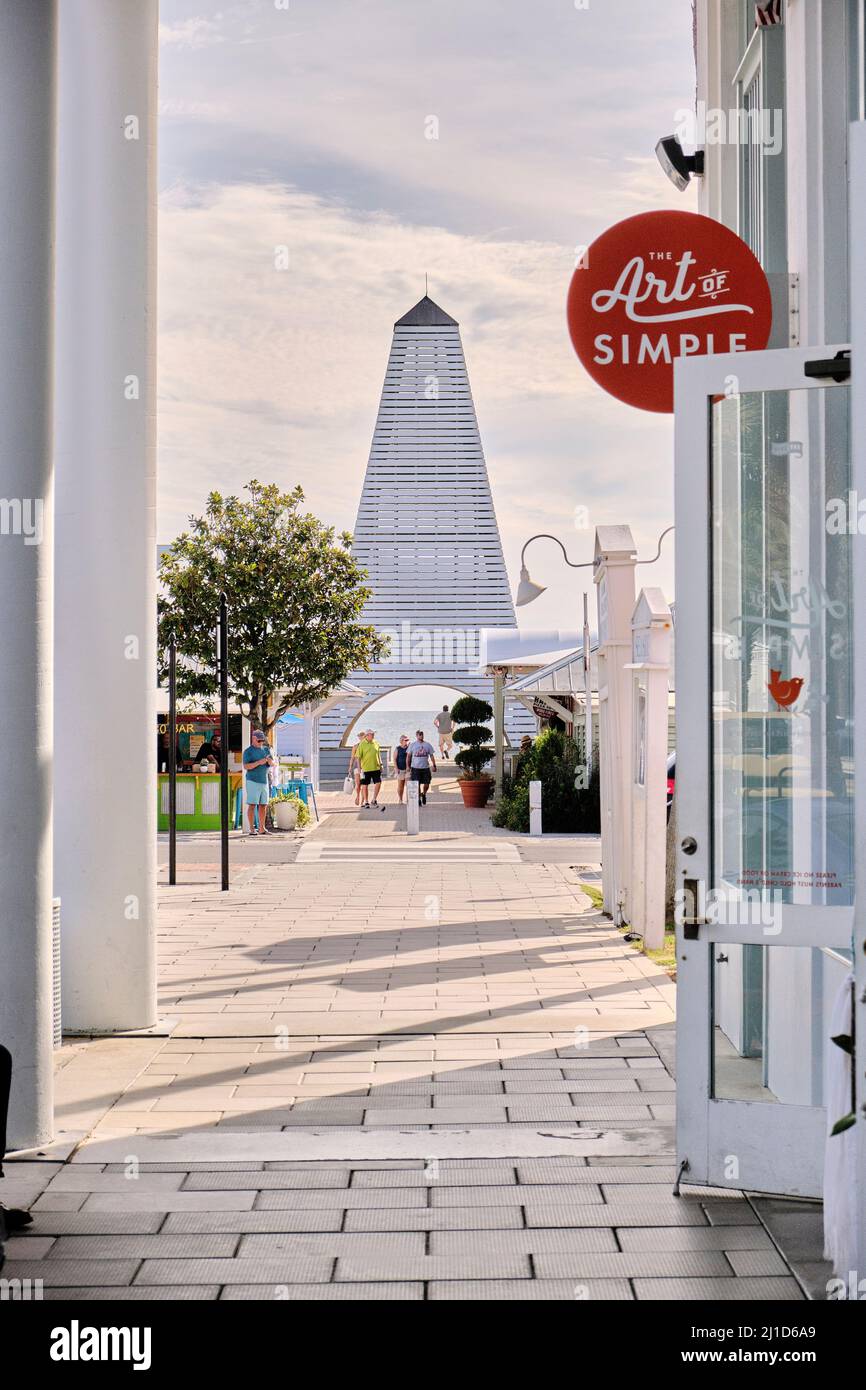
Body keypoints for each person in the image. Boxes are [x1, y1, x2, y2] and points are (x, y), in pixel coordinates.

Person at [243, 728, 274, 835]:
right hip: (252, 781)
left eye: (262, 741)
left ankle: (262, 828)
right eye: (259, 740)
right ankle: (252, 829)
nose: (261, 742)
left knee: (263, 805)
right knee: (252, 805)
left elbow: (273, 764)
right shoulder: (248, 751)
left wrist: (270, 762)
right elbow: (246, 766)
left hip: (264, 781)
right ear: (253, 738)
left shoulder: (266, 749)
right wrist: (258, 762)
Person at [357, 729, 385, 810]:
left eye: (373, 734)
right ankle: (366, 801)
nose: (373, 735)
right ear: (367, 735)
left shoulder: (376, 742)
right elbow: (358, 758)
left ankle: (374, 799)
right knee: (365, 786)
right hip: (365, 769)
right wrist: (359, 768)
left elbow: (378, 754)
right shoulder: (362, 744)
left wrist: (381, 764)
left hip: (376, 768)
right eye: (372, 734)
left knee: (378, 783)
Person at [408, 729, 437, 806]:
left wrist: (434, 765)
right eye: (419, 734)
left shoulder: (427, 745)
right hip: (415, 768)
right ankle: (418, 799)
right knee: (417, 784)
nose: (421, 736)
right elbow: (408, 756)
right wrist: (408, 767)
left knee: (427, 784)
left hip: (425, 768)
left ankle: (423, 794)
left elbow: (431, 755)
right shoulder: (412, 745)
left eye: (422, 734)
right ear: (416, 736)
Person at [392, 734, 410, 802]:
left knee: (408, 785)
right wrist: (396, 768)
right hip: (400, 769)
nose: (407, 741)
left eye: (407, 740)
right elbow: (394, 759)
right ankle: (400, 799)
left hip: (408, 770)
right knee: (400, 786)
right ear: (401, 741)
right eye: (406, 740)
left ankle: (408, 799)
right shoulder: (397, 748)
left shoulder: (409, 748)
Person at [348, 738, 362, 805]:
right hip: (356, 767)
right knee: (358, 784)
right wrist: (350, 767)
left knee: (364, 785)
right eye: (361, 737)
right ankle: (358, 796)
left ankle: (363, 800)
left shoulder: (367, 746)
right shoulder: (355, 746)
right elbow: (352, 757)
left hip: (365, 767)